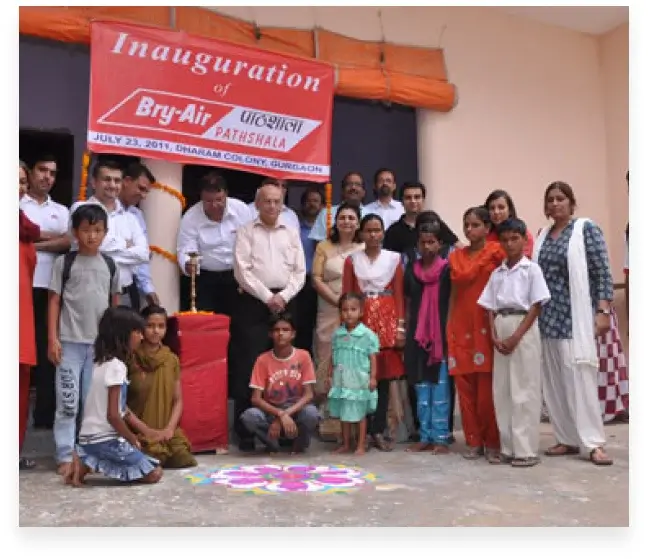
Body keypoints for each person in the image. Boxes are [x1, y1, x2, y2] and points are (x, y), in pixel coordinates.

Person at [534, 181, 614, 466]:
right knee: (554, 381)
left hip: (574, 317)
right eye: (551, 199)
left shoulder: (584, 229)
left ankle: (593, 443)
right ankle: (566, 438)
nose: (555, 204)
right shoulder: (542, 236)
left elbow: (602, 270)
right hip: (547, 319)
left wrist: (603, 310)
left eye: (561, 198)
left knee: (579, 378)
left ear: (571, 202)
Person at [232, 183, 306, 451]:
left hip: (286, 301)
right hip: (254, 303)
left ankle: (288, 430)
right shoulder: (246, 231)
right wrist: (267, 297)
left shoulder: (292, 232)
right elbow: (242, 270)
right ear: (257, 204)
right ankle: (246, 432)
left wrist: (283, 296)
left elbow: (300, 272)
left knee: (285, 365)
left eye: (277, 201)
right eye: (267, 201)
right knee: (250, 364)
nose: (272, 206)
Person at [48, 204, 121, 475]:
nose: (92, 236)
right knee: (68, 402)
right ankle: (65, 454)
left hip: (99, 347)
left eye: (98, 230)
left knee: (93, 403)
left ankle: (90, 454)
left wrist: (113, 343)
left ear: (105, 233)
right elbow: (54, 301)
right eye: (86, 230)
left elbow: (114, 307)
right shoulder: (64, 263)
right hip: (69, 343)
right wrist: (52, 339)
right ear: (75, 233)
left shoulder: (110, 265)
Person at [478, 218, 551, 467]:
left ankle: (526, 450)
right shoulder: (497, 273)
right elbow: (489, 307)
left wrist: (516, 336)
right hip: (502, 324)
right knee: (503, 390)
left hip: (523, 326)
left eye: (514, 239)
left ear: (523, 240)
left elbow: (536, 306)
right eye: (505, 240)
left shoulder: (531, 270)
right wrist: (494, 336)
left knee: (524, 388)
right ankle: (508, 447)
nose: (509, 244)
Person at [64, 307, 163, 487]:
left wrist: (146, 430)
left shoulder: (100, 363)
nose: (142, 337)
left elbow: (122, 409)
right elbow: (113, 416)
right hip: (105, 440)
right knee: (155, 473)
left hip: (86, 438)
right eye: (137, 332)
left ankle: (86, 459)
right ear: (123, 335)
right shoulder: (117, 367)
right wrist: (131, 438)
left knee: (144, 460)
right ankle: (87, 461)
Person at [342, 214, 405, 451]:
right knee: (360, 377)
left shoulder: (393, 259)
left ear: (383, 233)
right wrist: (347, 327)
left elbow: (399, 294)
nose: (373, 235)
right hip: (362, 318)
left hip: (387, 319)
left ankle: (378, 430)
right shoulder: (352, 260)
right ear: (361, 233)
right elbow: (347, 295)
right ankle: (362, 432)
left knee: (383, 379)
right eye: (368, 230)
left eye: (377, 230)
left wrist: (400, 327)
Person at [447, 206, 504, 463]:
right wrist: (449, 324)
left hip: (485, 322)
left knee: (486, 392)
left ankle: (492, 441)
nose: (469, 230)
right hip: (460, 324)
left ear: (487, 227)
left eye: (475, 225)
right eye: (466, 225)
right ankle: (473, 441)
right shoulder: (456, 257)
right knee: (465, 388)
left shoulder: (497, 252)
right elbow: (456, 287)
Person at [19, 154, 71, 429]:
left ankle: (43, 417)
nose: (47, 177)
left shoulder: (61, 211)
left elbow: (68, 240)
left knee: (47, 349)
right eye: (42, 170)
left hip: (49, 287)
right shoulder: (17, 201)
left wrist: (29, 242)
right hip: (20, 286)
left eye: (52, 173)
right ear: (30, 173)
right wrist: (51, 237)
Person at [311, 203, 364, 441]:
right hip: (329, 307)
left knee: (352, 361)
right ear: (336, 221)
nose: (347, 222)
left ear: (358, 223)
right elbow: (316, 278)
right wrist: (338, 302)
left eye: (351, 218)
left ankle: (354, 420)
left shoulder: (364, 247)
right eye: (342, 217)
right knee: (327, 357)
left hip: (357, 312)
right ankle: (328, 419)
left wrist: (351, 308)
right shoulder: (324, 246)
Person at [70, 160, 149, 308]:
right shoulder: (80, 209)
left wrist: (102, 249)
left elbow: (143, 254)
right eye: (107, 179)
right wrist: (125, 244)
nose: (112, 185)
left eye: (117, 180)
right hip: (88, 290)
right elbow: (86, 244)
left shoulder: (131, 218)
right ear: (94, 182)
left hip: (124, 292)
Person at [403, 221, 452, 454]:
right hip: (417, 335)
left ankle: (441, 437)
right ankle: (424, 436)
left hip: (441, 335)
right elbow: (408, 302)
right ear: (417, 245)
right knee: (421, 388)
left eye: (432, 242)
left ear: (440, 244)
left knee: (440, 388)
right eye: (423, 243)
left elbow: (451, 302)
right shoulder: (411, 270)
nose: (427, 247)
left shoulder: (447, 270)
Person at [127, 305, 197, 468]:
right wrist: (146, 430)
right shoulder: (131, 358)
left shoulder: (171, 359)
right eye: (150, 326)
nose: (156, 331)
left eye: (161, 326)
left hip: (166, 431)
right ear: (141, 327)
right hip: (139, 430)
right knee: (153, 457)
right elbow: (120, 405)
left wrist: (170, 429)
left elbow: (178, 400)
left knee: (183, 458)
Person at [240, 312, 319, 454]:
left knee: (311, 413)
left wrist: (285, 414)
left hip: (296, 411)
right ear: (270, 334)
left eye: (285, 330)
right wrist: (279, 414)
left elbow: (309, 395)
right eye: (276, 330)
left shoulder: (303, 356)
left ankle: (300, 443)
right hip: (271, 411)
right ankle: (272, 443)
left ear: (293, 334)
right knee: (249, 416)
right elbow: (256, 399)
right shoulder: (262, 360)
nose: (280, 334)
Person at [176, 171, 251, 317]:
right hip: (206, 279)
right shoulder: (191, 217)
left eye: (219, 200)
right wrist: (188, 263)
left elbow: (251, 241)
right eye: (209, 201)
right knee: (205, 321)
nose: (215, 205)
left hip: (238, 275)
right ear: (201, 198)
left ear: (226, 194)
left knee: (240, 320)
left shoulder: (241, 210)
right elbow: (186, 247)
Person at [327, 293, 379, 455]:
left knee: (360, 413)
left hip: (359, 380)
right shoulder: (337, 334)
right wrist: (329, 375)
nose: (349, 313)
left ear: (361, 312)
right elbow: (332, 356)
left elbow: (373, 358)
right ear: (340, 312)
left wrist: (373, 377)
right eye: (345, 310)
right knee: (344, 412)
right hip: (341, 380)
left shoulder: (367, 335)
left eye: (353, 309)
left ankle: (361, 444)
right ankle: (345, 443)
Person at [19, 160, 40, 470]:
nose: (18, 186)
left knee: (19, 383)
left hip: (21, 310)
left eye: (22, 181)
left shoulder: (23, 226)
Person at [384, 182, 461, 261]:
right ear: (402, 201)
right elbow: (387, 260)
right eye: (408, 197)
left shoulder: (436, 224)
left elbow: (459, 247)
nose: (413, 201)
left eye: (417, 197)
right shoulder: (393, 231)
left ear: (423, 200)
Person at [119, 162, 160, 308]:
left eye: (146, 191)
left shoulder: (137, 215)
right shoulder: (104, 210)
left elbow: (143, 255)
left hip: (130, 287)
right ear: (126, 181)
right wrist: (131, 248)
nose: (143, 196)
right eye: (141, 188)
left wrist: (148, 289)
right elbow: (106, 248)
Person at [294, 185, 324, 352]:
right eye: (308, 201)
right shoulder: (296, 229)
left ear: (322, 205)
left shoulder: (328, 230)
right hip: (302, 282)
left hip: (323, 282)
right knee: (303, 325)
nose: (312, 204)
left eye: (316, 201)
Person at [309, 171, 367, 242]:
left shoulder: (371, 214)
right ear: (342, 191)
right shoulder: (326, 213)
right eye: (349, 184)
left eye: (358, 184)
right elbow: (318, 243)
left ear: (364, 192)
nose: (353, 187)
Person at [484, 190, 534, 257]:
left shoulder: (522, 234)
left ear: (510, 210)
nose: (496, 212)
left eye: (501, 207)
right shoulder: (486, 235)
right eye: (492, 208)